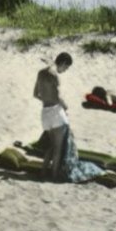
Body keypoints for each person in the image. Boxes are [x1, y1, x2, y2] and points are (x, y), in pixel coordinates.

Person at [33, 52, 72, 181]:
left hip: (45, 113)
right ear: (63, 63)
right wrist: (66, 107)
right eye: (66, 68)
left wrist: (46, 99)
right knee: (58, 147)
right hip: (56, 112)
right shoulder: (55, 75)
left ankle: (43, 172)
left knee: (50, 145)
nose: (65, 71)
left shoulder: (41, 73)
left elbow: (35, 94)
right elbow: (58, 97)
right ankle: (54, 175)